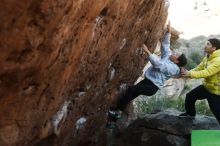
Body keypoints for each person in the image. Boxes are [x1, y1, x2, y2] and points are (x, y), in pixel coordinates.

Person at [107, 23, 188, 128]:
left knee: (131, 90)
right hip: (147, 82)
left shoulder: (173, 68)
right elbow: (165, 46)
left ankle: (117, 113)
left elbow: (159, 65)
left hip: (152, 87)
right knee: (130, 95)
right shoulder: (168, 58)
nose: (174, 53)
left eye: (177, 54)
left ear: (177, 61)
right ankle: (113, 122)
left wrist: (148, 52)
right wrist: (168, 32)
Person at [179, 38, 220, 124]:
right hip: (206, 87)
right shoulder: (208, 57)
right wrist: (188, 73)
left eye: (208, 44)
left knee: (217, 113)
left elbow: (207, 72)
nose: (205, 45)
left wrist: (189, 74)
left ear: (214, 48)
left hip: (215, 92)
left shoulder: (218, 60)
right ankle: (190, 115)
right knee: (190, 96)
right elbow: (199, 68)